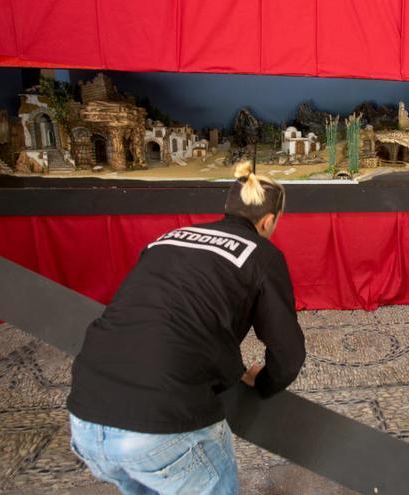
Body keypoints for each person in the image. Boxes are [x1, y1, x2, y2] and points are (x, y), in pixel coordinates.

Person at [67, 161, 306, 495]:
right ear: (268, 221)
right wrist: (262, 383)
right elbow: (289, 353)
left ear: (226, 208)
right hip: (161, 426)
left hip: (86, 418)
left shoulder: (167, 238)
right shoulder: (262, 254)